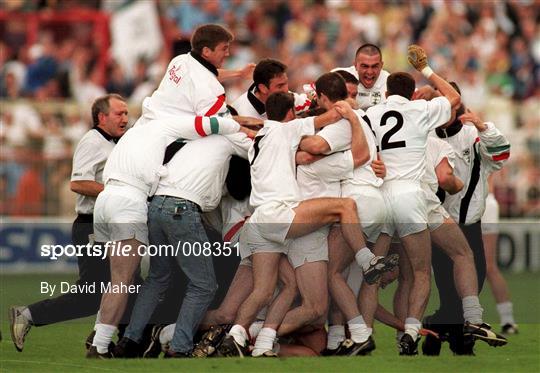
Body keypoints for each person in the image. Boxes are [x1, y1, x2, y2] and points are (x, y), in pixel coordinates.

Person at [87, 24, 246, 358]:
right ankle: (171, 345)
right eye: (224, 49)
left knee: (150, 278)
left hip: (117, 200)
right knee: (198, 284)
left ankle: (122, 341)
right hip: (143, 202)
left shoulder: (175, 68)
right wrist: (247, 123)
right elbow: (211, 122)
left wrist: (234, 73)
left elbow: (200, 71)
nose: (227, 54)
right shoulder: (173, 125)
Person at [218, 92, 397, 357]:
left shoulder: (263, 139)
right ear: (291, 115)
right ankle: (366, 260)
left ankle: (241, 337)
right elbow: (359, 155)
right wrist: (350, 111)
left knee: (270, 291)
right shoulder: (297, 143)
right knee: (345, 208)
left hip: (260, 221)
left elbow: (249, 128)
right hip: (291, 223)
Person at [9, 94, 129, 352]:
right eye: (119, 113)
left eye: (126, 113)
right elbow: (77, 183)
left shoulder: (115, 143)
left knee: (127, 285)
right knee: (91, 295)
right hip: (92, 226)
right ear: (102, 117)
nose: (125, 118)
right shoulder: (92, 141)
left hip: (108, 226)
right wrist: (116, 191)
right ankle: (28, 315)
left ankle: (112, 341)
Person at [364, 44, 463, 355]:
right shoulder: (419, 110)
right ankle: (409, 332)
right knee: (420, 272)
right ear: (410, 93)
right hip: (409, 196)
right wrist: (427, 70)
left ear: (387, 88)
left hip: (379, 195)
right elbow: (454, 99)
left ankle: (359, 334)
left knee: (372, 274)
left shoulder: (370, 113)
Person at [423, 80, 512, 355]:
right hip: (440, 224)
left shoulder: (473, 133)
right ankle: (461, 343)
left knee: (477, 282)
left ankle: (435, 329)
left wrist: (485, 127)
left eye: (449, 102)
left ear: (458, 102)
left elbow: (500, 157)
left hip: (470, 223)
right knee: (450, 289)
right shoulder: (427, 137)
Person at [482, 175, 518, 334]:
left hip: (472, 200)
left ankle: (507, 319)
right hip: (485, 200)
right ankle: (508, 320)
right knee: (489, 267)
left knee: (483, 266)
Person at [231, 58, 312, 119]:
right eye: (280, 86)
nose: (286, 90)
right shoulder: (240, 112)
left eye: (286, 83)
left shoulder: (287, 97)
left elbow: (313, 105)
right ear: (263, 88)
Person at [332, 43, 390, 110]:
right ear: (355, 65)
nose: (370, 72)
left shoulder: (390, 83)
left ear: (381, 66)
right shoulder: (338, 77)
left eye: (374, 66)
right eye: (365, 66)